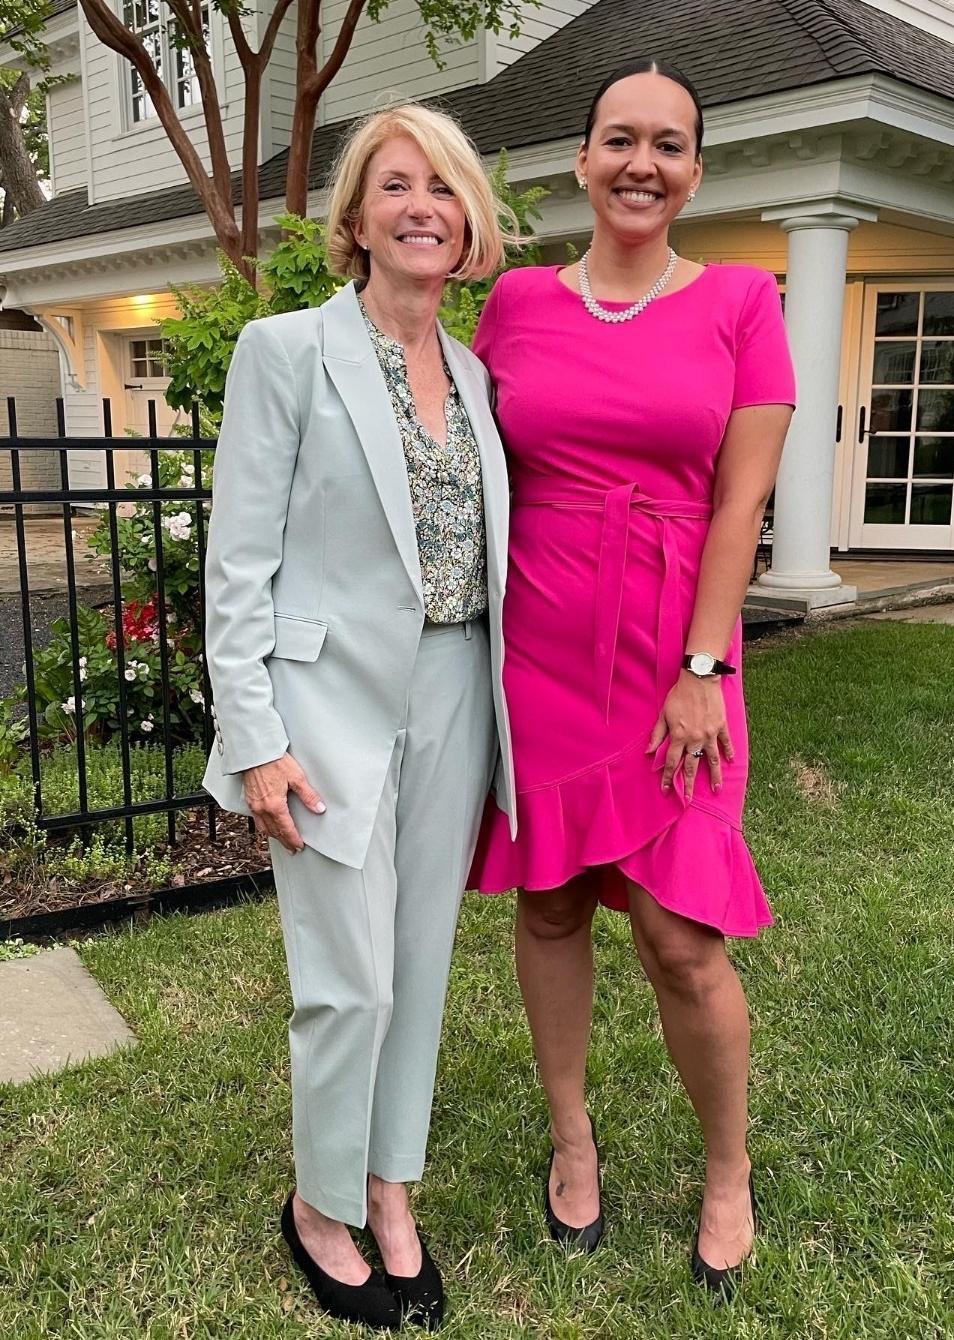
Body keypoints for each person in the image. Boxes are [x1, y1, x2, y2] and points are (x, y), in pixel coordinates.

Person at [469, 59, 795, 1299]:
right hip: (539, 640)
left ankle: (724, 1166)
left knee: (678, 932)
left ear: (695, 170)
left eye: (666, 144)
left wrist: (705, 663)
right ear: (581, 160)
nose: (639, 163)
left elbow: (743, 495)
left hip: (673, 644)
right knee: (549, 901)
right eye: (618, 139)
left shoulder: (738, 301)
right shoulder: (511, 307)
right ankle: (571, 1140)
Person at [201, 103, 517, 1331]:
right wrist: (255, 738)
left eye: (440, 185)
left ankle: (391, 1190)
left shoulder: (478, 374)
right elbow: (238, 564)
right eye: (394, 185)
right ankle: (319, 1204)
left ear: (467, 219)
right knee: (349, 980)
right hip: (322, 700)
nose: (420, 205)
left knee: (419, 967)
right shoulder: (286, 351)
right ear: (358, 217)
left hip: (452, 689)